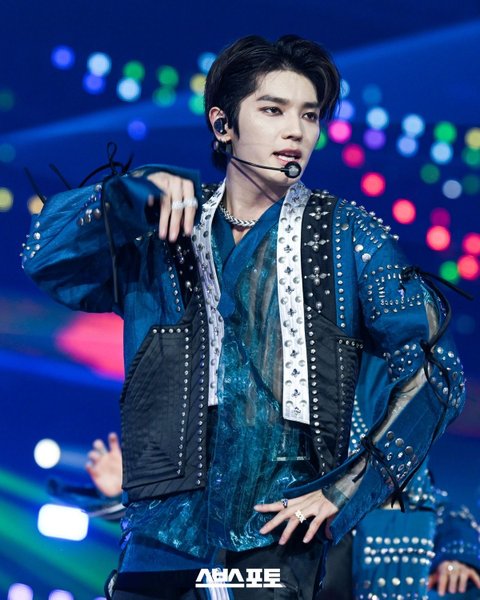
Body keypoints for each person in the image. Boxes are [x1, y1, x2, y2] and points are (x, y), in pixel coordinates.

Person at [23, 34, 466, 600]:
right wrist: (126, 195)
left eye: (309, 115)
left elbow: (437, 370)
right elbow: (44, 257)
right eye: (273, 110)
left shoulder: (348, 236)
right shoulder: (161, 225)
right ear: (223, 124)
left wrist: (344, 489)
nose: (295, 131)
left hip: (274, 537)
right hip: (160, 533)